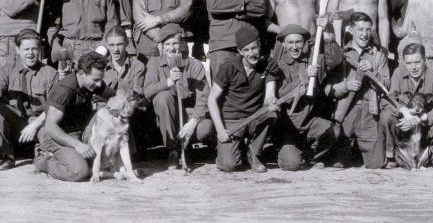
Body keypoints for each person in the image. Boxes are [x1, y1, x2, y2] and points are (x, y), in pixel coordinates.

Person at [208, 25, 281, 173]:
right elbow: (212, 100)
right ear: (240, 52)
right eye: (246, 50)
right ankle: (234, 148)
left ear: (260, 45)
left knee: (271, 113)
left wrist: (272, 101)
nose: (251, 53)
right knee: (229, 165)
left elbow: (269, 97)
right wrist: (220, 130)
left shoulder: (268, 64)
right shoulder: (228, 67)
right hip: (233, 120)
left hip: (255, 117)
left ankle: (253, 153)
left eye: (254, 48)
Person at [35, 50, 115, 182]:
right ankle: (44, 160)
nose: (100, 84)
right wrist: (78, 145)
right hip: (56, 136)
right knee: (79, 171)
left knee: (113, 111)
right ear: (82, 74)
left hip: (79, 131)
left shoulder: (93, 83)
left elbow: (115, 97)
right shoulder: (64, 90)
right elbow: (50, 126)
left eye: (101, 79)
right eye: (96, 79)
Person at [0, 29, 58, 170]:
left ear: (40, 50)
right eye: (26, 49)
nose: (30, 53)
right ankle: (6, 156)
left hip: (40, 122)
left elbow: (54, 108)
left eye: (34, 49)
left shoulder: (50, 74)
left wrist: (35, 125)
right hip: (17, 121)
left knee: (47, 147)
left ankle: (41, 153)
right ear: (17, 50)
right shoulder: (7, 70)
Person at [143, 24, 214, 170]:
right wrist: (168, 82)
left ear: (182, 43)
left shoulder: (194, 65)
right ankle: (172, 151)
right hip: (167, 120)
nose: (171, 48)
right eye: (167, 44)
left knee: (205, 128)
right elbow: (147, 91)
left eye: (175, 43)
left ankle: (187, 147)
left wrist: (193, 122)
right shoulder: (154, 63)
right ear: (161, 46)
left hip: (187, 118)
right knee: (163, 96)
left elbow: (203, 96)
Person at [272, 24, 339, 170]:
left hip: (309, 122)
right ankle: (275, 152)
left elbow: (335, 60)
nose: (295, 47)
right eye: (290, 43)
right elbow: (282, 94)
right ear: (283, 45)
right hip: (288, 126)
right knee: (292, 164)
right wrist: (305, 78)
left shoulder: (313, 61)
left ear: (305, 43)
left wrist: (327, 34)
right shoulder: (278, 66)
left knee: (334, 130)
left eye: (298, 42)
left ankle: (311, 157)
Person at [330, 12, 391, 169]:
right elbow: (330, 90)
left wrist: (373, 73)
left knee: (376, 164)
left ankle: (359, 149)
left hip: (369, 111)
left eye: (368, 29)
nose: (365, 34)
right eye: (360, 29)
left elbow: (386, 86)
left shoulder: (378, 56)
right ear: (351, 30)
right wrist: (346, 86)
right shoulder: (341, 54)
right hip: (346, 112)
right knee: (338, 163)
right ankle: (351, 148)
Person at [381, 43, 433, 169]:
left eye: (417, 62)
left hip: (425, 128)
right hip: (404, 127)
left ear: (425, 60)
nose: (413, 67)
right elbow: (388, 100)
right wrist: (404, 111)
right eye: (409, 63)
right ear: (404, 62)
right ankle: (392, 156)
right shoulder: (398, 73)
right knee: (386, 116)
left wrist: (421, 119)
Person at [101, 26, 146, 95]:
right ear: (107, 45)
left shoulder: (138, 66)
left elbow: (137, 96)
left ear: (126, 43)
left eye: (119, 44)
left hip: (128, 104)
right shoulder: (101, 66)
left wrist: (111, 94)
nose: (116, 49)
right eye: (111, 45)